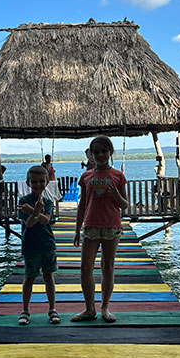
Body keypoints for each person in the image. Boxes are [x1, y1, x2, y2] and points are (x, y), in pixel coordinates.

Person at [71, 136, 128, 323]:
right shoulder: (86, 176)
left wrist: (115, 193)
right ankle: (89, 308)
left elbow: (124, 205)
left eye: (104, 151)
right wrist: (77, 229)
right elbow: (82, 204)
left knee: (107, 266)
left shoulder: (118, 176)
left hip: (111, 225)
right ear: (91, 155)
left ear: (110, 152)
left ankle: (105, 307)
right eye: (96, 152)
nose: (100, 155)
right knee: (85, 267)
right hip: (91, 225)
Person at [17, 165, 60, 326]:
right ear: (28, 183)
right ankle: (25, 310)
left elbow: (46, 220)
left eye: (41, 181)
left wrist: (34, 211)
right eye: (34, 181)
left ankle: (52, 309)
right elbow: (29, 224)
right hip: (30, 245)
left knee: (49, 276)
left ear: (47, 182)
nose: (38, 185)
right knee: (29, 277)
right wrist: (35, 211)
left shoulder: (47, 201)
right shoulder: (23, 201)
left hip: (47, 244)